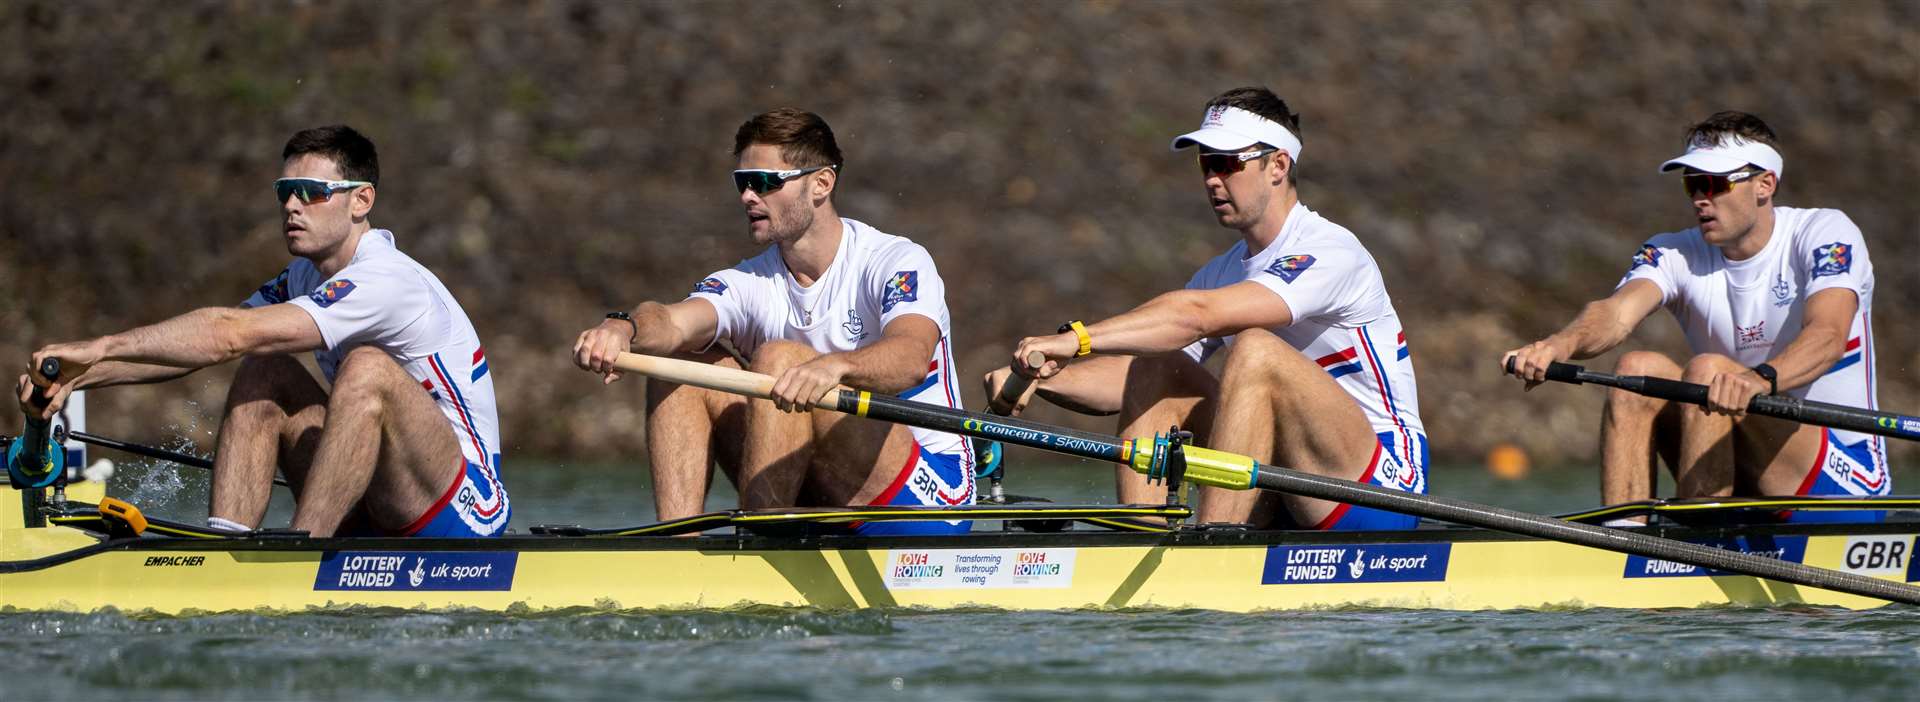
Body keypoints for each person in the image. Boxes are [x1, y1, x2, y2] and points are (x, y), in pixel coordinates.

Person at [17, 125, 509, 538]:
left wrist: (103, 344)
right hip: (379, 491)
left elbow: (228, 333)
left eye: (312, 193)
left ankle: (297, 555)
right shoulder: (303, 277)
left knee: (367, 370)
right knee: (266, 369)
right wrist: (80, 377)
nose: (292, 205)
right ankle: (227, 550)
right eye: (284, 192)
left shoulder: (386, 280)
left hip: (464, 506)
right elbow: (199, 349)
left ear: (362, 200)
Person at [989, 87, 1428, 530]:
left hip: (1381, 488)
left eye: (1227, 163)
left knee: (1256, 349)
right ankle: (1143, 536)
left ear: (1277, 165)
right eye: (1205, 163)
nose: (1212, 179)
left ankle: (1213, 542)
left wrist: (1077, 340)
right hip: (1291, 482)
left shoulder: (1330, 250)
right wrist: (1045, 374)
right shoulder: (1222, 272)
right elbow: (1130, 381)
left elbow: (1193, 315)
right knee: (1157, 366)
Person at [572, 108, 973, 534]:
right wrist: (623, 329)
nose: (748, 196)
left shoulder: (896, 262)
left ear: (821, 184)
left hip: (929, 498)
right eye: (742, 182)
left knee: (781, 358)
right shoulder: (749, 281)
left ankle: (762, 537)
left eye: (765, 182)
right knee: (684, 363)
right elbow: (670, 322)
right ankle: (679, 544)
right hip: (820, 488)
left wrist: (834, 366)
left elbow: (910, 359)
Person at [1503, 111, 1886, 522]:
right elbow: (1615, 315)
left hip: (1846, 480)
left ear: (1765, 184)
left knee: (1707, 370)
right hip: (1743, 460)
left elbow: (1827, 337)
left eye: (1716, 183)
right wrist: (1557, 345)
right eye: (1692, 183)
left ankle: (1702, 539)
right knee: (1637, 370)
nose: (1701, 198)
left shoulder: (1824, 233)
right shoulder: (1673, 253)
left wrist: (1757, 381)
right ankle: (1622, 539)